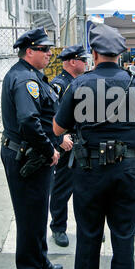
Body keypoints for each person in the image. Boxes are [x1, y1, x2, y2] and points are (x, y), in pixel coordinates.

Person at [52, 23, 135, 269]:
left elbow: (58, 128)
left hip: (88, 169)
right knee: (123, 236)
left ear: (95, 52)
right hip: (126, 169)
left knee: (88, 235)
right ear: (120, 53)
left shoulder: (79, 84)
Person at [1, 27, 72, 269]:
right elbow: (28, 122)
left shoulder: (34, 76)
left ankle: (40, 259)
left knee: (39, 211)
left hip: (33, 155)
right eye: (44, 50)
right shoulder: (24, 80)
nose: (50, 54)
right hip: (26, 155)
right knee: (30, 215)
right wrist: (49, 149)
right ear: (29, 51)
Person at [50, 44, 88, 247]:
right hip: (67, 143)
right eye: (83, 59)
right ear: (72, 61)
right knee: (62, 189)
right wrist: (60, 138)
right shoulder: (59, 84)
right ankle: (58, 228)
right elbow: (50, 115)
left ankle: (89, 229)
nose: (86, 63)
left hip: (82, 142)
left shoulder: (80, 82)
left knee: (87, 189)